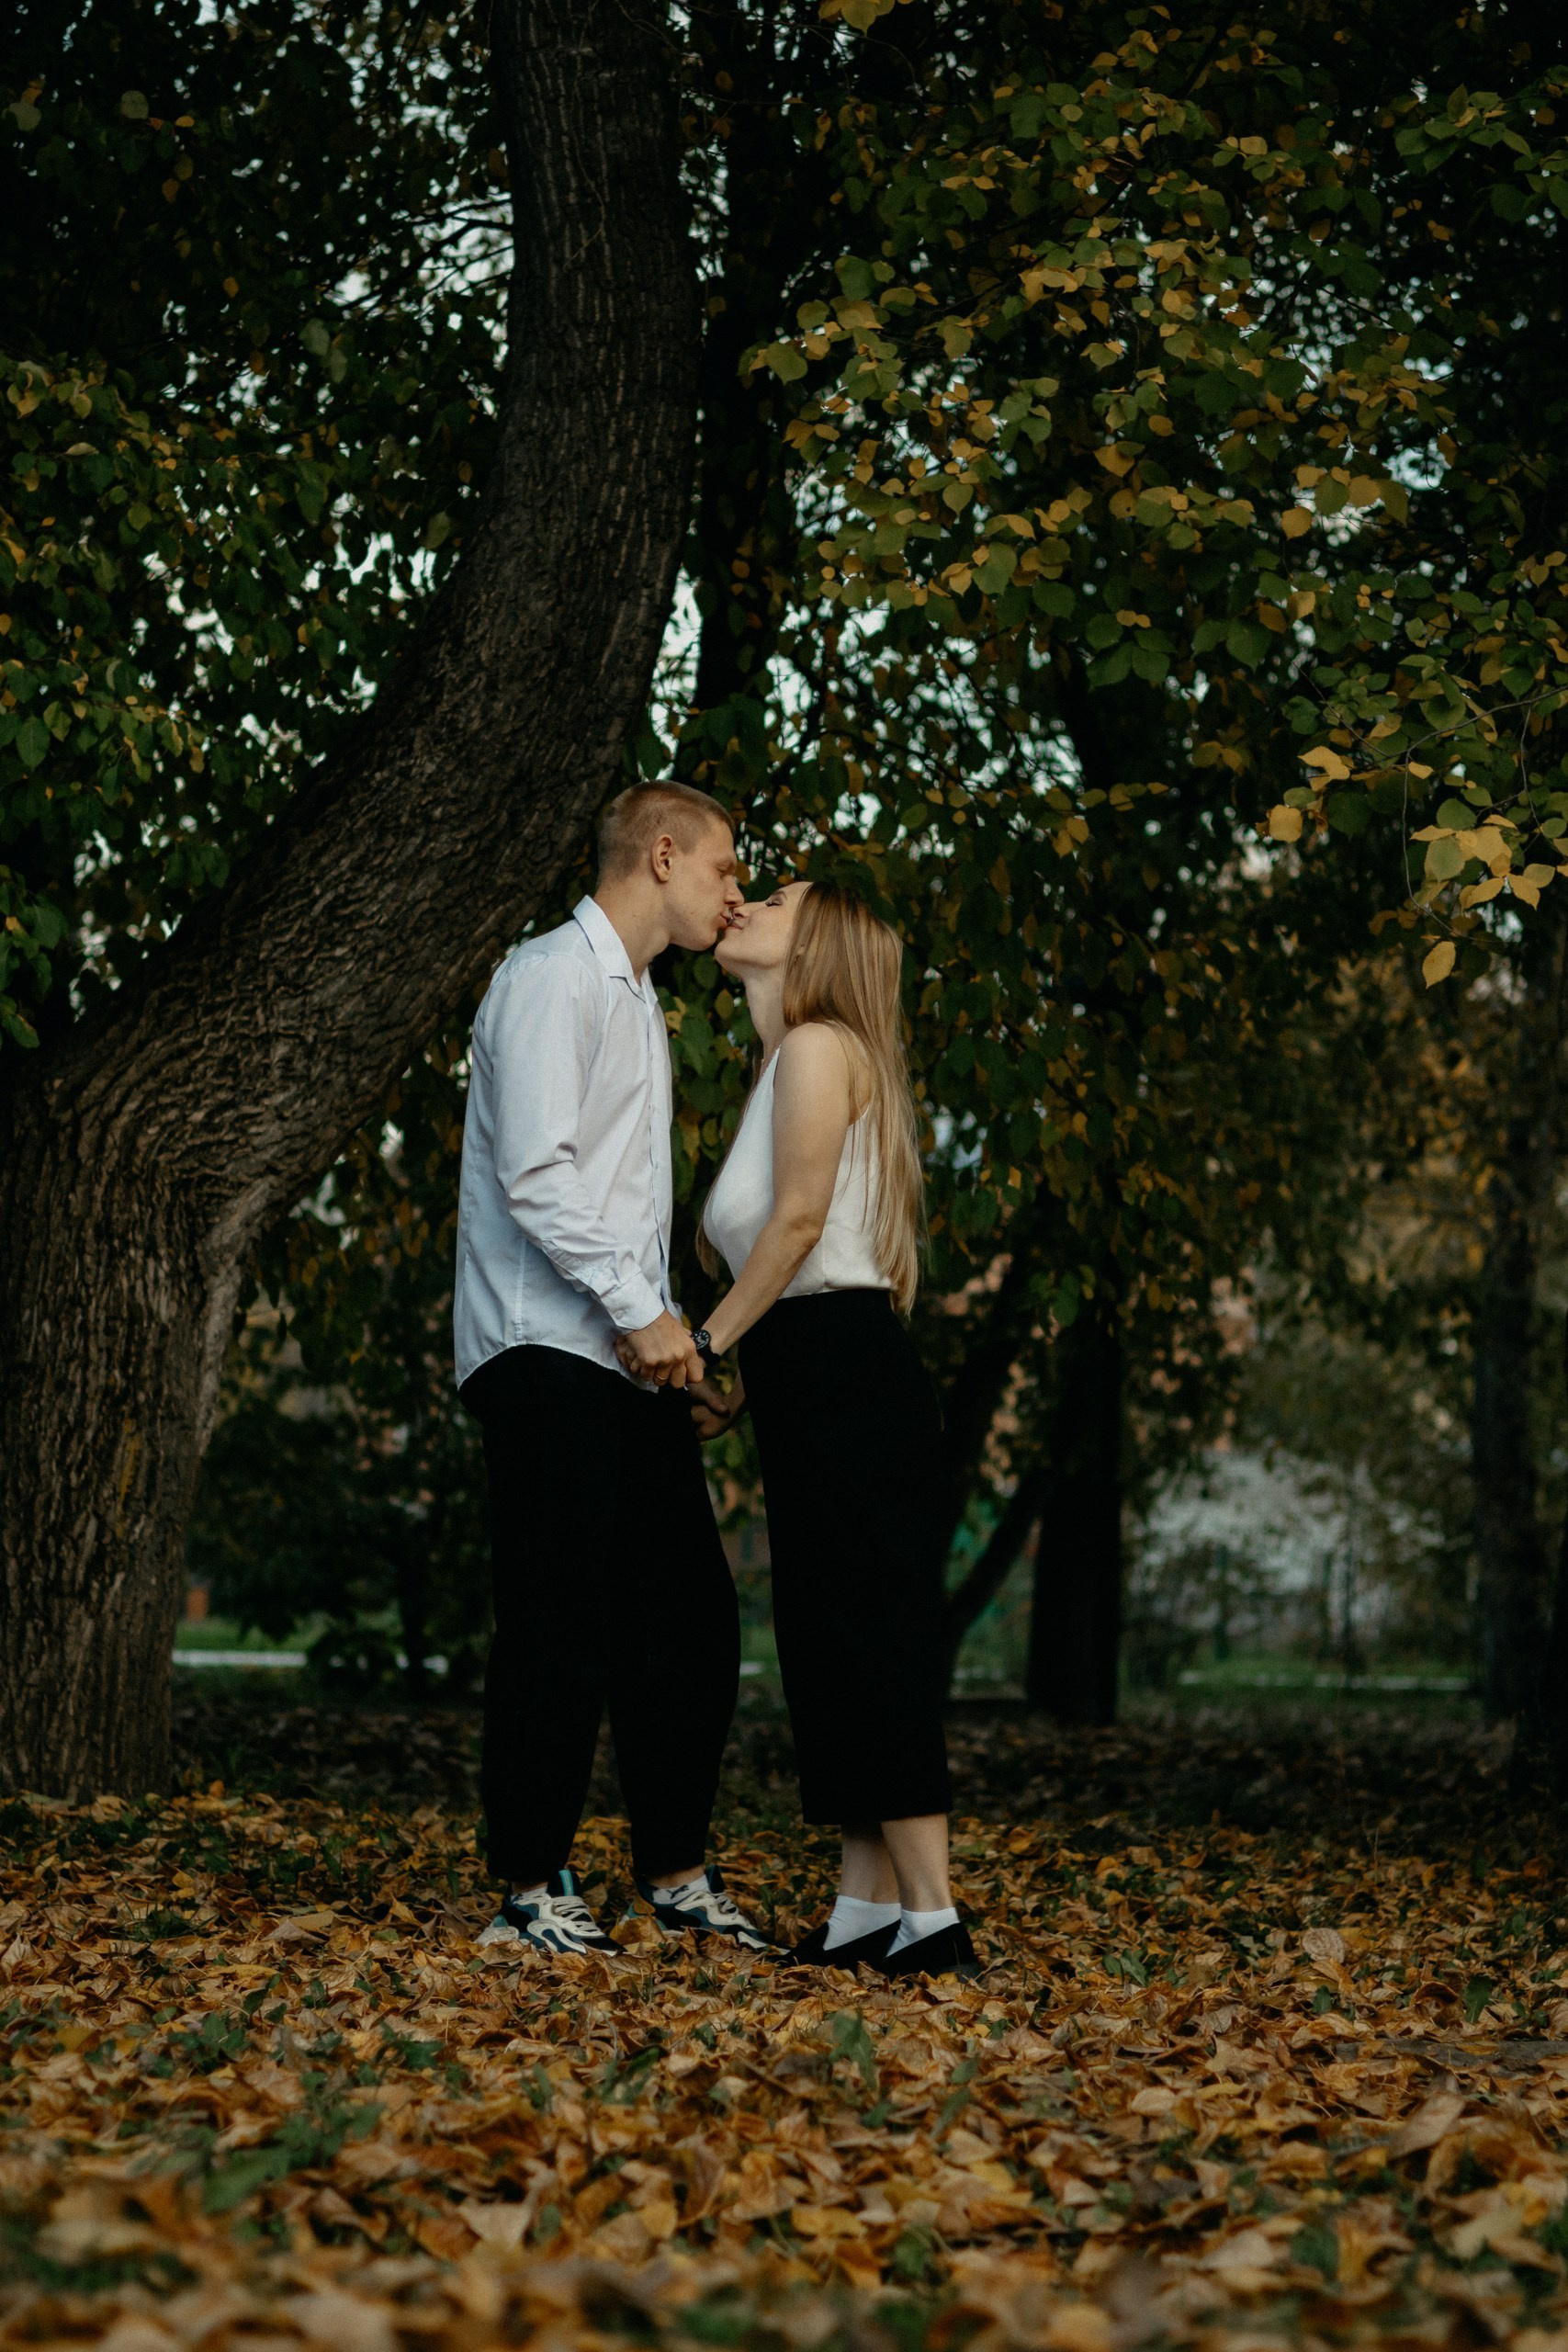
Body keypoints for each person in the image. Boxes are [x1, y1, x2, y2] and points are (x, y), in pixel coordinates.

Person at [454, 782, 772, 1960]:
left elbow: (624, 1213)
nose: (735, 893)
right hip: (542, 1346)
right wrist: (644, 1314)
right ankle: (528, 1888)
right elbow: (537, 1176)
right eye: (726, 868)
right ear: (665, 854)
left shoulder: (638, 1000)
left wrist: (673, 1347)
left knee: (686, 1616)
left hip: (622, 1362)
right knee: (558, 1618)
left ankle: (675, 1875)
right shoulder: (550, 976)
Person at [676, 878, 976, 1980]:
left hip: (848, 1377)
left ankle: (935, 1922)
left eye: (774, 898)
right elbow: (813, 1258)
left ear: (819, 944)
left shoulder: (815, 1047)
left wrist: (705, 1345)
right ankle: (865, 1910)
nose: (743, 902)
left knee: (871, 1640)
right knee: (828, 1643)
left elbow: (803, 1227)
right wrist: (748, 1383)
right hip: (813, 1375)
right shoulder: (784, 1064)